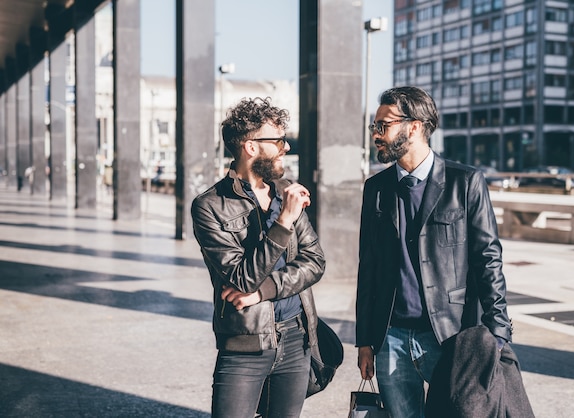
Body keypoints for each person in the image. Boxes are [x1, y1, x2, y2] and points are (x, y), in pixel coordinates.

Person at [355, 86, 512, 418]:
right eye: (374, 126)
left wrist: (498, 334)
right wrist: (365, 340)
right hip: (390, 337)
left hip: (450, 336)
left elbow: (488, 260)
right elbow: (367, 268)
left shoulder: (465, 183)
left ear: (413, 126)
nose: (375, 134)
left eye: (383, 125)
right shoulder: (376, 189)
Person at [191, 97, 325, 418]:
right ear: (251, 147)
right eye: (277, 141)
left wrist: (264, 292)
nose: (285, 148)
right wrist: (283, 223)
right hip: (244, 343)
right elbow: (241, 278)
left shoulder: (285, 192)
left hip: (296, 338)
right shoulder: (210, 205)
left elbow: (314, 261)